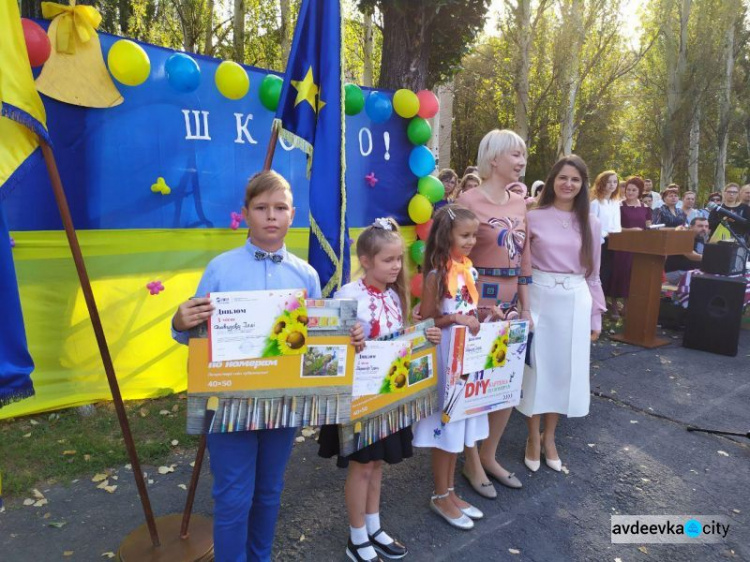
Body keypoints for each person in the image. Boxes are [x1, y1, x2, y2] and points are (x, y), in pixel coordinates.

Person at [170, 171, 347, 562]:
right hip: (229, 401)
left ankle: (260, 556)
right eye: (262, 208)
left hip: (282, 403)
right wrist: (180, 321)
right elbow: (193, 334)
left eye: (280, 208)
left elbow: (315, 343)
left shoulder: (306, 275)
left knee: (268, 490)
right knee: (233, 496)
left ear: (292, 214)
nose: (272, 216)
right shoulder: (220, 269)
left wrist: (345, 340)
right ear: (246, 213)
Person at [317, 218, 441, 562]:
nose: (397, 266)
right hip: (360, 399)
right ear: (367, 261)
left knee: (378, 464)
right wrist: (348, 335)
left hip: (388, 396)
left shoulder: (393, 295)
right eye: (389, 260)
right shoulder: (348, 295)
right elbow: (330, 345)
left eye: (399, 259)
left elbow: (398, 337)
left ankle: (373, 526)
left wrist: (423, 335)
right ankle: (356, 537)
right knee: (362, 466)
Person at [455, 129, 532, 497]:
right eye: (515, 155)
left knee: (507, 385)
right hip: (476, 304)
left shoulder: (520, 202)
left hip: (512, 305)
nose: (521, 162)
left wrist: (526, 307)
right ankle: (469, 461)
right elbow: (454, 253)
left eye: (523, 155)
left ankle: (490, 454)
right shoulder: (468, 199)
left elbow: (525, 256)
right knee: (475, 383)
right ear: (494, 158)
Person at [517, 155, 604, 473]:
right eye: (563, 177)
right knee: (537, 369)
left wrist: (596, 316)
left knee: (564, 371)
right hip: (539, 298)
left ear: (582, 186)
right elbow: (521, 268)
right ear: (552, 180)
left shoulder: (591, 223)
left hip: (575, 301)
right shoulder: (533, 217)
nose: (568, 184)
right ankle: (532, 437)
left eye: (575, 179)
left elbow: (593, 274)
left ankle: (550, 436)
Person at [412, 204, 488, 530]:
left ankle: (452, 491)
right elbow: (427, 319)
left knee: (459, 428)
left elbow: (469, 308)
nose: (471, 241)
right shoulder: (436, 275)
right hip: (445, 358)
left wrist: (486, 314)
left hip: (467, 357)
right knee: (447, 428)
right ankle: (440, 494)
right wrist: (455, 318)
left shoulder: (468, 271)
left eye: (475, 235)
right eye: (465, 235)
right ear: (447, 236)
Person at [607, 177, 652, 317]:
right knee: (618, 274)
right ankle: (614, 306)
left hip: (638, 247)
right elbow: (613, 227)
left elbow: (648, 226)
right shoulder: (618, 206)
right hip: (621, 247)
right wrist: (631, 230)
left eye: (634, 190)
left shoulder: (645, 208)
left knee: (632, 276)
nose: (630, 192)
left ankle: (627, 307)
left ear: (639, 192)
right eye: (628, 190)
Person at [589, 170, 621, 308]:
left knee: (609, 275)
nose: (612, 185)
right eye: (609, 182)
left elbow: (617, 224)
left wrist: (616, 234)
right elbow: (591, 225)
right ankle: (594, 304)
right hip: (600, 243)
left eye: (615, 182)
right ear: (602, 183)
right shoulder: (596, 203)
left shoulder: (615, 202)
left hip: (614, 242)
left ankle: (602, 304)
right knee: (600, 273)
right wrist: (605, 234)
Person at [664, 217, 709, 284]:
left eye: (706, 226)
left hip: (691, 272)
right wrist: (710, 259)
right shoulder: (683, 236)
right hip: (677, 272)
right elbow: (690, 255)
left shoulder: (700, 238)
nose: (704, 229)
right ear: (691, 227)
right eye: (700, 226)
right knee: (706, 281)